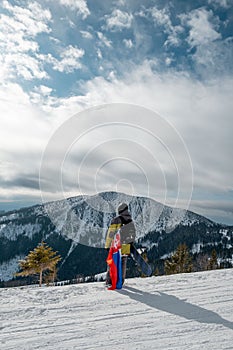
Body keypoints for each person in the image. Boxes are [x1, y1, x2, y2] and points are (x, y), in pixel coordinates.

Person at [105, 202, 136, 287]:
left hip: (115, 246)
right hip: (126, 246)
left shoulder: (116, 220)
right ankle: (120, 281)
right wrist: (130, 243)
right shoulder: (130, 221)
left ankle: (109, 281)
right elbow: (133, 234)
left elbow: (110, 234)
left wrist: (107, 245)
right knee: (123, 263)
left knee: (112, 262)